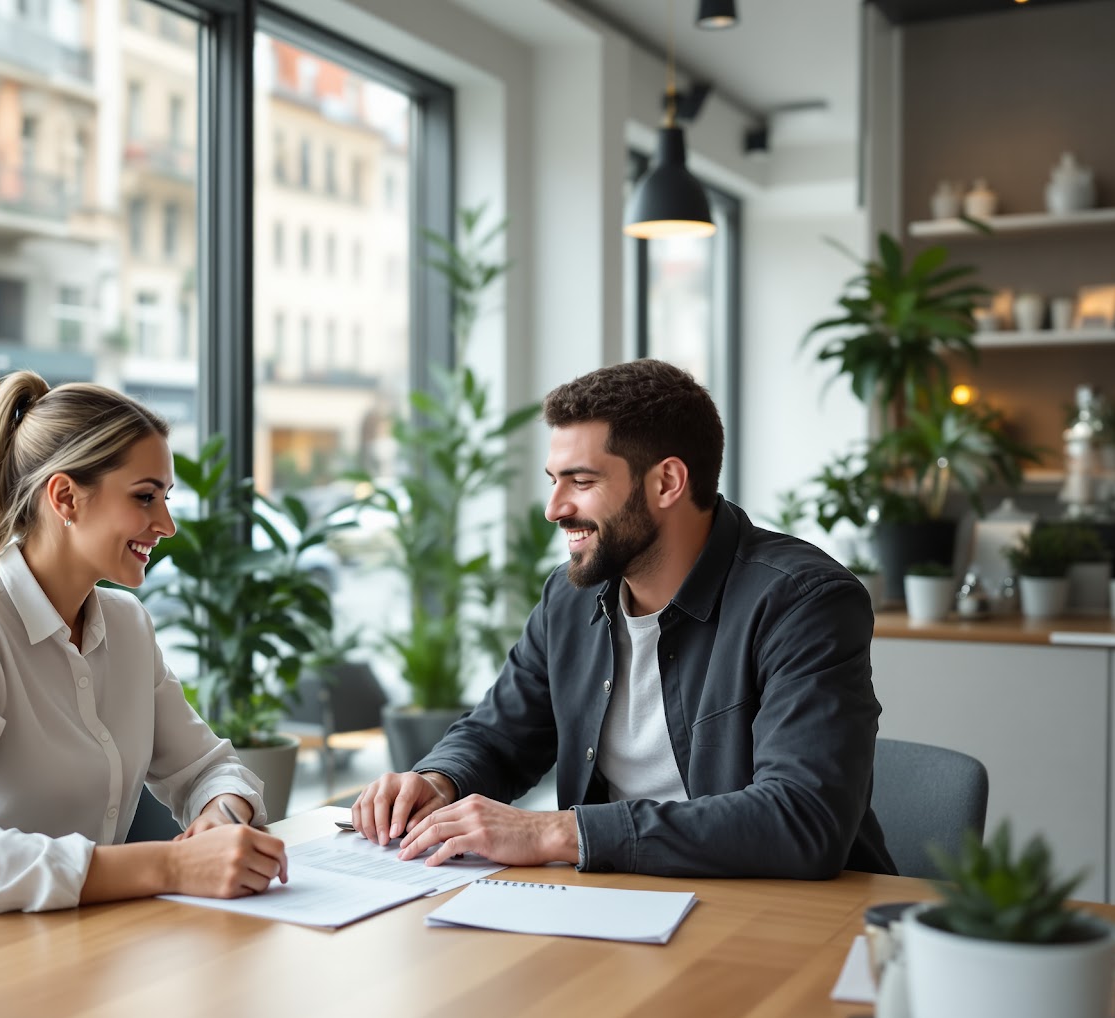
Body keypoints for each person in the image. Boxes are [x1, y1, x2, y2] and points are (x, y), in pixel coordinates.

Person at [352, 360, 895, 879]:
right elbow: (498, 735)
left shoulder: (803, 602)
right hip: (618, 905)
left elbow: (802, 817)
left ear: (667, 482)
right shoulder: (569, 599)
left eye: (581, 482)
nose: (555, 508)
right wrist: (437, 781)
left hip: (786, 915)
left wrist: (557, 832)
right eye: (553, 480)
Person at [0, 372, 286, 937]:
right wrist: (172, 865)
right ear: (65, 497)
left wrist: (222, 817)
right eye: (145, 497)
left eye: (166, 498)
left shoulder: (127, 625)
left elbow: (209, 768)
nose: (166, 525)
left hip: (71, 937)